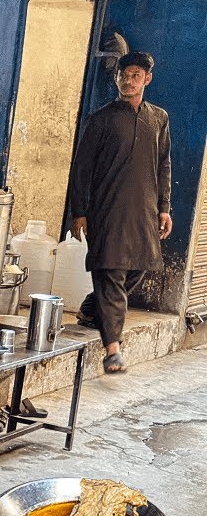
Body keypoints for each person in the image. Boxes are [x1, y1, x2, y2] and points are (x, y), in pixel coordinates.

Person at [70, 51, 172, 374]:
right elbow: (81, 169)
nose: (128, 81)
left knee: (140, 266)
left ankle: (92, 307)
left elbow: (164, 165)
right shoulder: (101, 119)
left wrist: (164, 208)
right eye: (123, 76)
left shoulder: (159, 119)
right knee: (110, 269)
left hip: (143, 210)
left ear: (147, 79)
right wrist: (79, 211)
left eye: (135, 76)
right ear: (117, 78)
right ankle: (112, 349)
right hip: (107, 210)